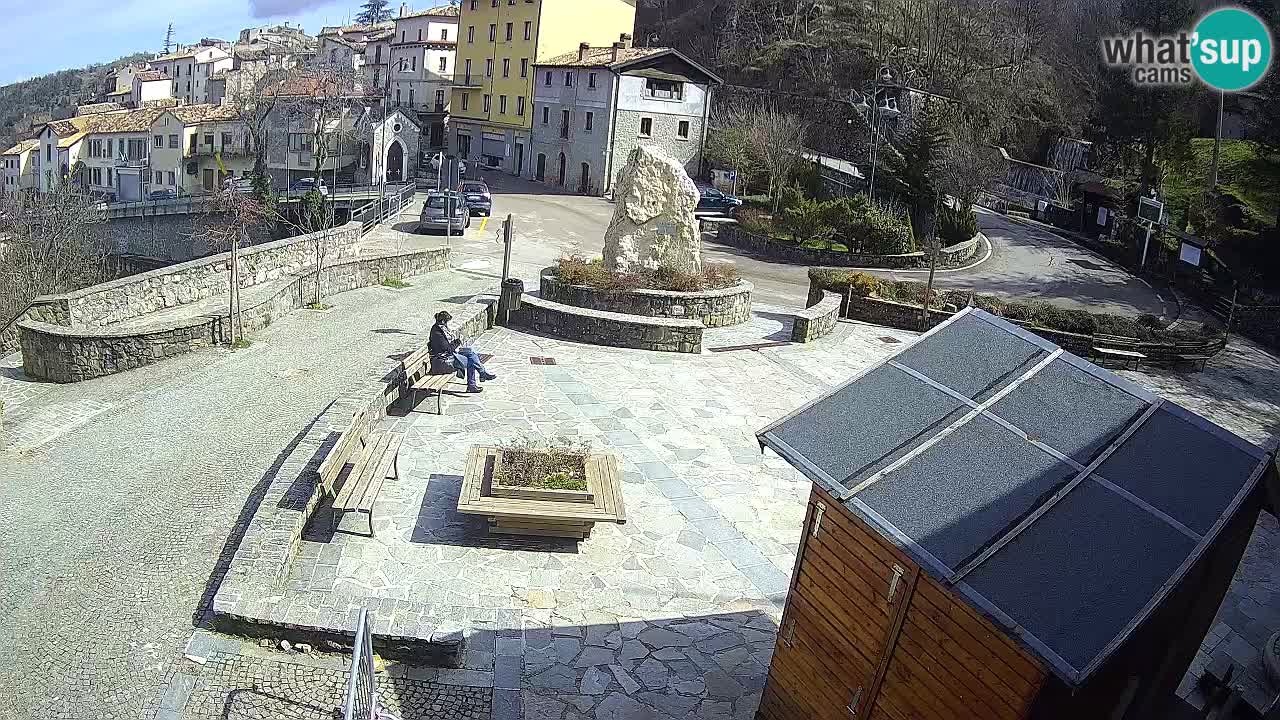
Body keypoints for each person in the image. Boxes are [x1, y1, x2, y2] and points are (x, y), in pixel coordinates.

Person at [429, 311, 495, 393]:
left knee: (471, 352)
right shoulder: (437, 333)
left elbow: (449, 347)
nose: (447, 325)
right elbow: (449, 349)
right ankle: (475, 382)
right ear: (443, 321)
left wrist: (456, 342)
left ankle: (481, 376)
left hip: (448, 356)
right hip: (443, 362)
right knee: (471, 361)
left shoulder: (439, 329)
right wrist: (457, 342)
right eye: (447, 322)